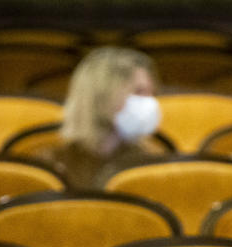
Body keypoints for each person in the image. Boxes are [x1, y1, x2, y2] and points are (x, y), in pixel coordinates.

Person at [43, 46, 163, 189]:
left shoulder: (153, 160)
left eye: (151, 93)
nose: (149, 103)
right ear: (101, 96)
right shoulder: (52, 165)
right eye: (138, 92)